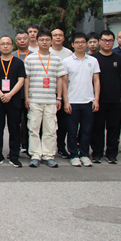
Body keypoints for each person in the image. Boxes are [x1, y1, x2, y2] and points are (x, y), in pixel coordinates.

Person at [24, 29, 65, 168]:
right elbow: (27, 79)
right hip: (34, 98)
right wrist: (26, 97)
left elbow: (60, 79)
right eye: (42, 40)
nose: (45, 42)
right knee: (33, 128)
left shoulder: (56, 59)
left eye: (47, 40)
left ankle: (48, 155)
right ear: (37, 41)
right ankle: (35, 155)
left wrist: (59, 97)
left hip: (50, 100)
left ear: (51, 41)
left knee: (50, 129)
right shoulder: (30, 58)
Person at [62, 33, 100, 167]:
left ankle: (84, 154)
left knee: (86, 130)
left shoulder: (93, 61)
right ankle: (74, 155)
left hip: (88, 101)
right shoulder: (67, 61)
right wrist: (66, 101)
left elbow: (96, 81)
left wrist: (96, 99)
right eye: (77, 42)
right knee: (72, 130)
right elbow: (64, 83)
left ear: (87, 44)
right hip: (72, 101)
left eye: (83, 42)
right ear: (72, 44)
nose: (80, 45)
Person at [90, 30, 121, 164]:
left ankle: (112, 154)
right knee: (97, 128)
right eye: (105, 40)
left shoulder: (119, 59)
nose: (107, 43)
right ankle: (97, 153)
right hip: (98, 100)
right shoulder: (93, 58)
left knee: (114, 128)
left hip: (115, 99)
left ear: (114, 42)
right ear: (100, 41)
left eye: (110, 40)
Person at [0, 35, 26, 167]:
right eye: (2, 44)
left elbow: (21, 80)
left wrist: (9, 94)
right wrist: (1, 94)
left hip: (14, 100)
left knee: (14, 129)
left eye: (8, 43)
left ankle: (14, 156)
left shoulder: (18, 63)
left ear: (12, 46)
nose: (5, 46)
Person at [50, 28, 73, 158]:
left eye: (60, 35)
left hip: (64, 92)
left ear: (64, 38)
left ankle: (61, 147)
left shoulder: (69, 53)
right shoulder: (46, 51)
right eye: (55, 35)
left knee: (63, 123)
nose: (58, 37)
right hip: (48, 92)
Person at [12, 30, 33, 154]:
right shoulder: (12, 55)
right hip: (15, 94)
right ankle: (16, 146)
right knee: (15, 122)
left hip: (31, 94)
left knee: (30, 122)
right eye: (19, 39)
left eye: (25, 38)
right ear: (16, 41)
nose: (22, 41)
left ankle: (30, 146)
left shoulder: (35, 56)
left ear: (29, 40)